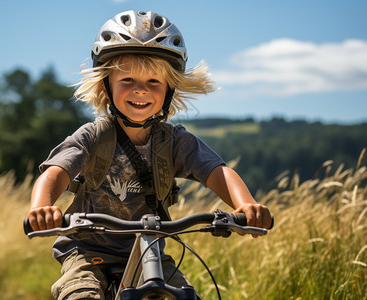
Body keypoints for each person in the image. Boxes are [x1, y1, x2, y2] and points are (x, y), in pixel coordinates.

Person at [27, 10, 272, 300]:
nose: (140, 90)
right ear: (106, 86)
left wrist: (246, 206)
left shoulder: (174, 142)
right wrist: (42, 208)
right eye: (127, 80)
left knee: (181, 294)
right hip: (87, 250)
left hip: (149, 250)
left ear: (169, 90)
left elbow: (218, 172)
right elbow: (54, 172)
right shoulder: (93, 137)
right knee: (81, 294)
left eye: (154, 82)